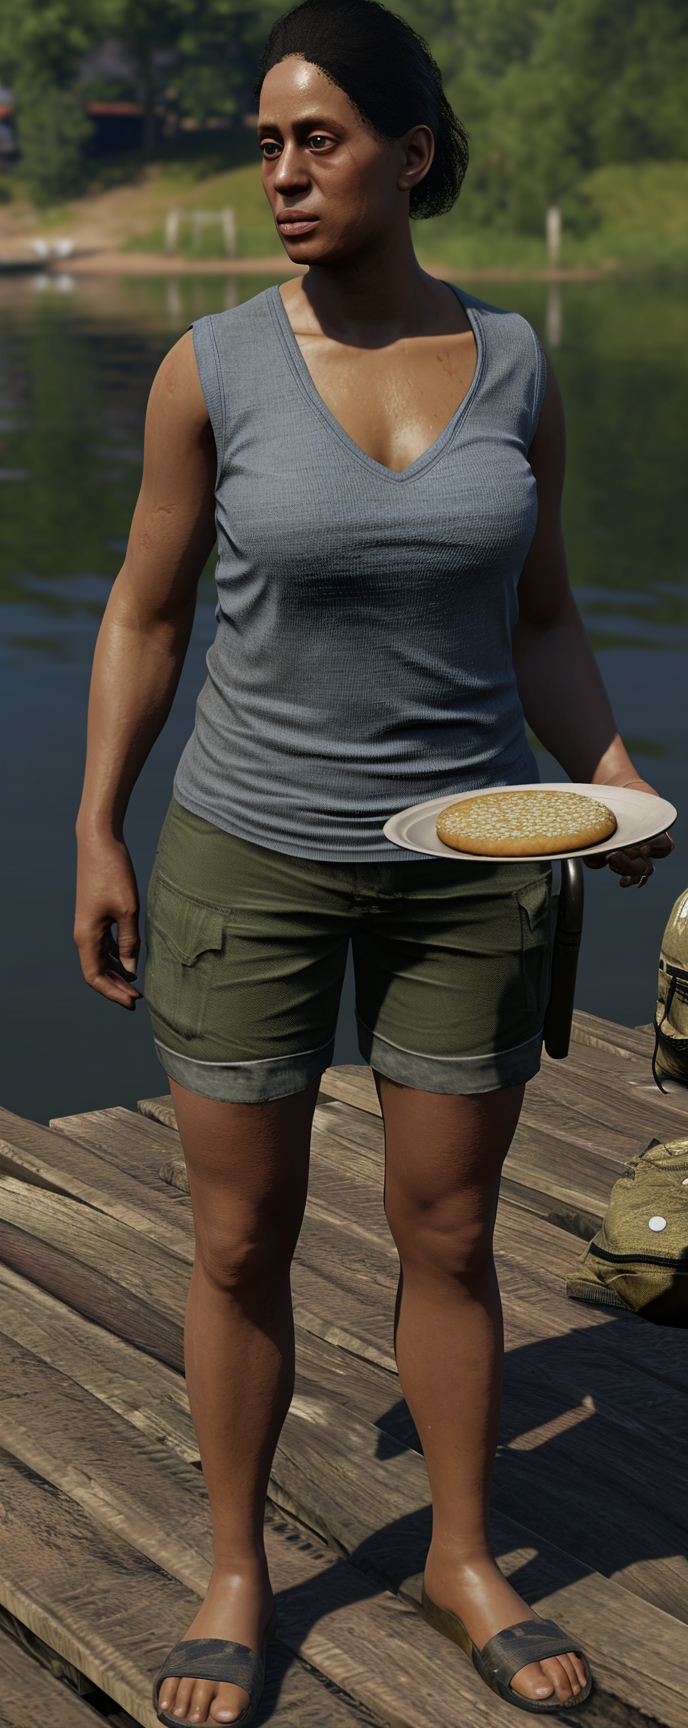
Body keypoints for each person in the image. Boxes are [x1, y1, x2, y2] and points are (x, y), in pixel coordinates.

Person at [74, 3, 673, 1722]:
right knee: (240, 1241)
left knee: (453, 1225)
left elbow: (544, 618)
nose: (280, 174)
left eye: (315, 139)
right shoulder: (212, 366)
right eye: (264, 142)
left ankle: (464, 1553)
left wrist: (610, 776)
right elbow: (143, 613)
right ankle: (239, 1569)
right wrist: (98, 822)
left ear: (412, 152)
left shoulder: (519, 361)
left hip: (475, 858)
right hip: (247, 851)